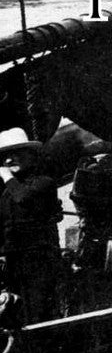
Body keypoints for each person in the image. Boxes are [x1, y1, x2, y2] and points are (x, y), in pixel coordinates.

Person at [0, 128, 62, 324]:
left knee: (39, 315)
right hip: (14, 263)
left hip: (39, 263)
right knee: (16, 316)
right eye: (5, 157)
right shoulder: (6, 195)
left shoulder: (44, 183)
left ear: (31, 156)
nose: (9, 160)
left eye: (16, 154)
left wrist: (7, 178)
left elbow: (24, 199)